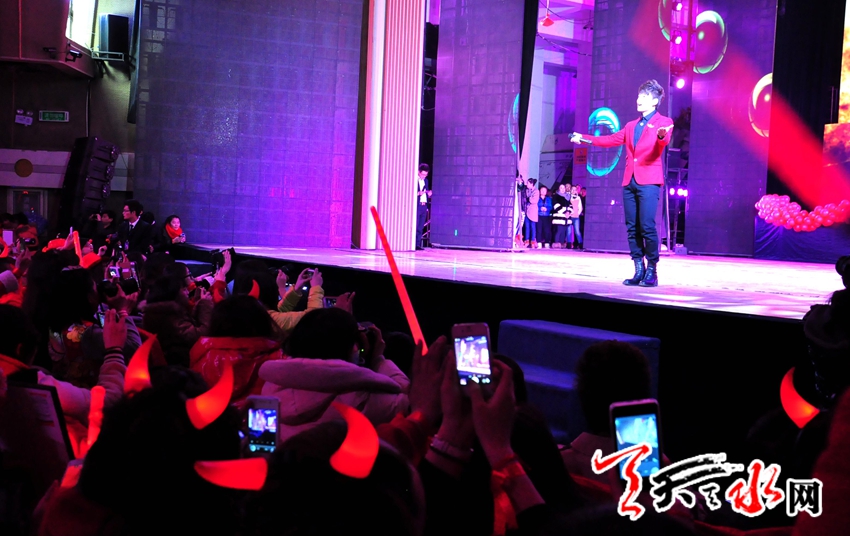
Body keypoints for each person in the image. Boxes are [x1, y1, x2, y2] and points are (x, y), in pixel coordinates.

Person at [571, 80, 673, 286]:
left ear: (654, 101)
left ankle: (652, 270)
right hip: (630, 182)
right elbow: (609, 140)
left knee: (647, 226)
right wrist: (583, 138)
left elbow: (664, 139)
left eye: (644, 97)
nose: (639, 100)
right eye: (639, 96)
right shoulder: (631, 126)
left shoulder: (663, 121)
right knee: (632, 227)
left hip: (649, 182)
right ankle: (638, 269)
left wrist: (662, 136)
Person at [416, 164, 432, 250]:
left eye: (426, 175)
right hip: (417, 205)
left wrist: (429, 194)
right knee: (416, 225)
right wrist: (418, 193)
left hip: (424, 205)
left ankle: (418, 244)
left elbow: (426, 191)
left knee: (421, 227)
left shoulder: (426, 181)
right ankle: (413, 244)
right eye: (422, 174)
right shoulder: (415, 180)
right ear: (419, 172)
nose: (424, 176)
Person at [551, 183, 571, 248]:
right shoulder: (556, 196)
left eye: (563, 188)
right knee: (558, 230)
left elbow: (570, 205)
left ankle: (562, 243)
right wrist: (564, 212)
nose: (562, 189)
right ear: (559, 189)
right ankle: (556, 243)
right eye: (561, 188)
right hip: (559, 217)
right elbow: (556, 205)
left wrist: (569, 212)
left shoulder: (567, 196)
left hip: (566, 218)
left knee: (563, 231)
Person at [567, 186, 584, 250]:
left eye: (575, 189)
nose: (574, 191)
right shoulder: (568, 196)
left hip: (576, 217)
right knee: (569, 231)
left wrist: (577, 213)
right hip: (569, 216)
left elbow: (580, 207)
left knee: (577, 231)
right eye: (572, 189)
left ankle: (580, 244)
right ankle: (569, 244)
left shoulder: (578, 197)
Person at [524, 179, 540, 248]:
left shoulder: (536, 191)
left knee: (533, 227)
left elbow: (534, 200)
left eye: (528, 183)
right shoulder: (526, 190)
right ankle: (527, 241)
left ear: (531, 184)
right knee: (527, 227)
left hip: (533, 211)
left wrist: (528, 199)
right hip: (527, 210)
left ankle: (533, 241)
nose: (527, 184)